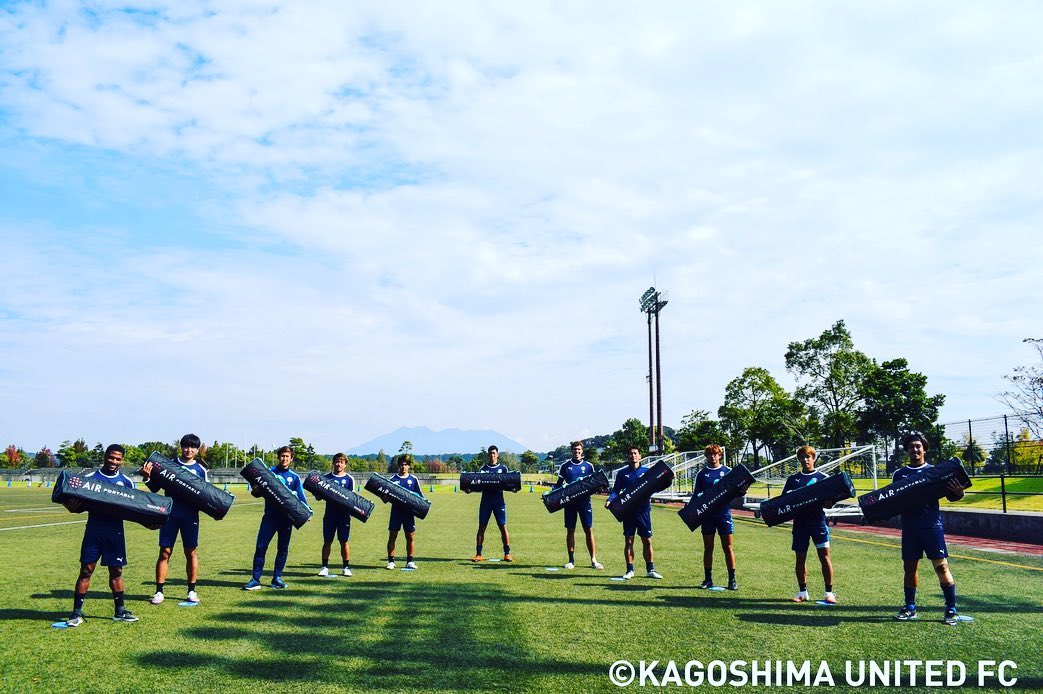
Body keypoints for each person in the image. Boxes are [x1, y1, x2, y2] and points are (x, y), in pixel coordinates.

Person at [62, 444, 139, 626]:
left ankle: (119, 611)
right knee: (86, 570)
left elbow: (135, 507)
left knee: (117, 571)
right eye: (111, 457)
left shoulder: (126, 482)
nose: (114, 461)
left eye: (118, 459)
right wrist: (71, 507)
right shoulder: (90, 478)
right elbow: (76, 504)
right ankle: (75, 614)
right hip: (94, 531)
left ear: (122, 460)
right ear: (105, 457)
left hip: (115, 532)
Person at [893, 432, 965, 625]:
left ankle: (951, 609)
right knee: (910, 567)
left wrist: (959, 493)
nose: (914, 450)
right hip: (910, 528)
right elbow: (893, 501)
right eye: (911, 447)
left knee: (941, 567)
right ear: (906, 450)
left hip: (932, 527)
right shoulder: (899, 475)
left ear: (924, 449)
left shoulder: (936, 471)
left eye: (918, 446)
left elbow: (953, 496)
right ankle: (910, 607)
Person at [141, 434, 208, 605]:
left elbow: (206, 494)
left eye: (193, 447)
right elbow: (155, 488)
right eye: (186, 446)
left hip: (190, 515)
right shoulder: (169, 465)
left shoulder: (201, 470)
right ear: (181, 447)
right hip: (170, 514)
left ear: (197, 449)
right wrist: (147, 477)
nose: (189, 450)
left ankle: (191, 590)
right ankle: (159, 591)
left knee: (190, 552)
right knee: (165, 552)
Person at [243, 446, 309, 590]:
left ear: (291, 459)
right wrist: (255, 491)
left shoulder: (295, 477)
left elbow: (302, 498)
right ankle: (255, 579)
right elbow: (257, 493)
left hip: (286, 519)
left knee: (283, 549)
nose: (284, 459)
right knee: (261, 547)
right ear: (278, 457)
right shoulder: (268, 472)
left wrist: (306, 512)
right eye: (282, 456)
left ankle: (277, 578)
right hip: (270, 518)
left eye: (287, 456)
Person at [782, 446, 837, 604]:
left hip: (818, 522)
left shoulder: (823, 477)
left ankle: (829, 593)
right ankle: (802, 592)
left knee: (825, 557)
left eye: (808, 457)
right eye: (802, 457)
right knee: (800, 558)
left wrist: (829, 503)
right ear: (799, 459)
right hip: (800, 524)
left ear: (814, 458)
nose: (805, 460)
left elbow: (830, 502)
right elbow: (785, 500)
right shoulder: (793, 479)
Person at [605, 445, 662, 579]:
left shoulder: (647, 471)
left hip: (643, 511)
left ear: (640, 456)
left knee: (647, 540)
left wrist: (668, 480)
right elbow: (615, 490)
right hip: (628, 512)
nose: (633, 456)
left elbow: (656, 487)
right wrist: (610, 499)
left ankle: (650, 570)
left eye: (635, 453)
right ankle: (630, 570)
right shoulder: (622, 473)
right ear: (628, 457)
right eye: (630, 454)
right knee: (629, 541)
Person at [552, 441, 603, 570]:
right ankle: (571, 560)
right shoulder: (565, 466)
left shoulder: (589, 466)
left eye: (579, 449)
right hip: (570, 503)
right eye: (575, 449)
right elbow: (558, 484)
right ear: (572, 451)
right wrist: (550, 495)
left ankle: (593, 560)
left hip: (585, 503)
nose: (577, 452)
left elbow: (594, 482)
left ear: (582, 451)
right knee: (570, 530)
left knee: (588, 530)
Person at [693, 444, 737, 590]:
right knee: (708, 548)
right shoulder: (702, 474)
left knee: (728, 547)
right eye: (710, 454)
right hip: (707, 516)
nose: (713, 457)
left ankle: (732, 580)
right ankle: (708, 579)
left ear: (720, 455)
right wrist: (691, 512)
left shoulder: (728, 472)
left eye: (715, 454)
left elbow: (736, 491)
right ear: (706, 456)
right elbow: (696, 495)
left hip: (724, 515)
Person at [470, 445, 512, 562]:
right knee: (482, 527)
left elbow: (507, 484)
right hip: (486, 501)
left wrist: (513, 489)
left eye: (494, 453)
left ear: (497, 455)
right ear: (488, 455)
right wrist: (470, 489)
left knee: (503, 527)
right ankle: (478, 554)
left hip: (499, 501)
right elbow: (478, 485)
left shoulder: (503, 468)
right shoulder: (483, 469)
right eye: (490, 453)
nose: (492, 455)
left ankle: (507, 553)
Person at [317, 453, 354, 577]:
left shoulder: (349, 479)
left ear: (345, 464)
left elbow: (352, 499)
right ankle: (324, 567)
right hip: (330, 515)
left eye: (342, 462)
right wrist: (318, 494)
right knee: (327, 541)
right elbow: (318, 496)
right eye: (337, 461)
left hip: (344, 516)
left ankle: (346, 567)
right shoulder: (326, 477)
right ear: (333, 463)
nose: (339, 464)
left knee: (344, 541)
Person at [386, 455, 424, 570]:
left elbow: (420, 497)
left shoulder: (413, 479)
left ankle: (410, 561)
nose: (403, 467)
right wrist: (385, 497)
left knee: (410, 536)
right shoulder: (393, 480)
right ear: (399, 466)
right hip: (396, 512)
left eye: (406, 464)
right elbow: (385, 497)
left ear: (409, 466)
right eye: (402, 464)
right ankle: (391, 561)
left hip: (409, 513)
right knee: (393, 536)